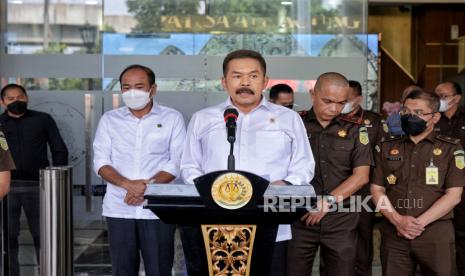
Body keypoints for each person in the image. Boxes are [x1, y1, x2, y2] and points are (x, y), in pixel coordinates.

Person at [180, 49, 314, 276]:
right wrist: (212, 192)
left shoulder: (288, 118)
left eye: (253, 76)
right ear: (224, 82)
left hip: (271, 223)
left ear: (265, 81)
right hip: (215, 224)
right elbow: (189, 166)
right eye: (236, 76)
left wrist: (286, 185)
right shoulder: (203, 118)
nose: (245, 82)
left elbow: (304, 166)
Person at [93, 64, 186, 276]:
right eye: (126, 87)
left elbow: (178, 161)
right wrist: (129, 185)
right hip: (119, 206)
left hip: (157, 208)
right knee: (122, 269)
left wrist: (147, 188)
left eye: (139, 86)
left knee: (160, 269)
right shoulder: (110, 119)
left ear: (153, 89)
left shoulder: (172, 118)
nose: (132, 92)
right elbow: (100, 162)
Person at [287, 72, 372, 276]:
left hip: (340, 218)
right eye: (328, 101)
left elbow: (361, 176)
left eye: (341, 103)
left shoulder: (356, 130)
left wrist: (326, 203)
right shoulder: (294, 125)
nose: (334, 108)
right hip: (299, 217)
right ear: (312, 94)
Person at [371, 90, 464, 275]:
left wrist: (417, 224)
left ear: (435, 117)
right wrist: (398, 221)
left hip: (435, 234)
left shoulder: (451, 148)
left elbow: (454, 196)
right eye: (406, 111)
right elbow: (376, 189)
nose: (410, 116)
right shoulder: (386, 146)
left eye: (419, 113)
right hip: (394, 234)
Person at [0, 83, 68, 276]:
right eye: (11, 98)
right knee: (8, 235)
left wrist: (57, 180)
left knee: (42, 234)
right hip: (6, 189)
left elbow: (59, 149)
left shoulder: (43, 120)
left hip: (39, 187)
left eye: (20, 97)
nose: (16, 101)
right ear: (3, 102)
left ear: (27, 97)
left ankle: (47, 271)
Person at [339, 79, 386, 275]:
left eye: (346, 100)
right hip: (336, 188)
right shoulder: (333, 117)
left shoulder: (373, 121)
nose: (342, 105)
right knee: (337, 240)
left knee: (363, 237)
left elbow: (382, 156)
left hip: (363, 190)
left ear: (358, 99)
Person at [434, 81, 465, 275]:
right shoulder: (433, 119)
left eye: (443, 96)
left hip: (462, 185)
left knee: (461, 232)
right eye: (436, 96)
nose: (439, 100)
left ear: (457, 98)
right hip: (435, 186)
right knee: (437, 233)